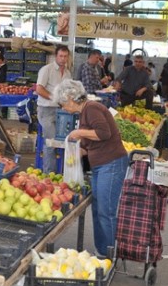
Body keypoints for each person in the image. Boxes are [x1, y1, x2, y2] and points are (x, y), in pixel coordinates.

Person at [53, 79, 128, 257]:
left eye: (62, 103)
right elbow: (92, 142)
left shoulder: (92, 108)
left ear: (71, 97)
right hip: (101, 165)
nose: (63, 108)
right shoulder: (84, 113)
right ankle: (101, 252)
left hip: (111, 164)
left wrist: (79, 133)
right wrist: (80, 152)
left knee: (106, 211)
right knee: (98, 210)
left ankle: (109, 255)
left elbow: (104, 133)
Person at [35, 45, 72, 173]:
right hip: (46, 111)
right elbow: (39, 89)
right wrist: (55, 98)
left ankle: (61, 173)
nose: (63, 59)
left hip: (61, 113)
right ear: (56, 56)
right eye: (60, 56)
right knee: (51, 143)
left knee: (64, 142)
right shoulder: (47, 69)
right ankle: (48, 175)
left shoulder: (67, 73)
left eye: (65, 56)